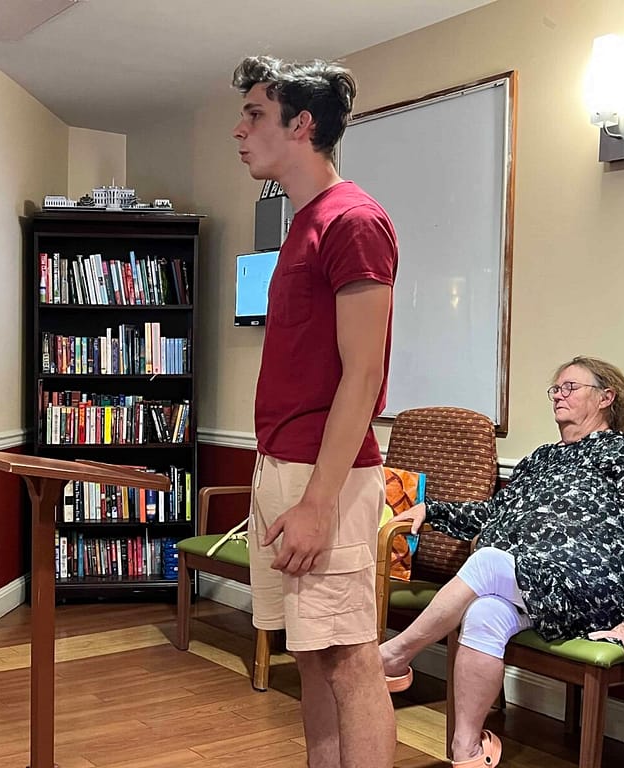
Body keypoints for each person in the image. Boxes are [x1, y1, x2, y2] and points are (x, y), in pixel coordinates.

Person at [379, 356, 624, 767]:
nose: (558, 396)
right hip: (533, 580)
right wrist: (430, 510)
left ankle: (394, 656)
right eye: (555, 389)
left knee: (490, 561)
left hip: (594, 585)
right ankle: (468, 752)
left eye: (570, 388)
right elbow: (493, 513)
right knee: (485, 614)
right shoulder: (541, 459)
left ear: (605, 398)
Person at [232, 55, 399, 768]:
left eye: (256, 116)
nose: (240, 132)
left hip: (323, 479)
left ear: (302, 125)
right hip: (285, 466)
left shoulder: (354, 221)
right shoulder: (302, 223)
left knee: (351, 660)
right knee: (312, 659)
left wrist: (317, 504)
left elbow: (363, 377)